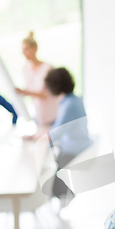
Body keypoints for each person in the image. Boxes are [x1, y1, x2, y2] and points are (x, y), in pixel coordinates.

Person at [41, 67, 93, 203]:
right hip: (82, 147)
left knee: (46, 172)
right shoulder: (73, 99)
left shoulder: (68, 105)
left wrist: (36, 136)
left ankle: (59, 198)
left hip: (74, 152)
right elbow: (60, 126)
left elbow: (54, 135)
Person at [15, 31, 59, 131]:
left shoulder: (47, 68)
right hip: (39, 115)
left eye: (26, 49)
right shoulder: (25, 68)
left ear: (35, 48)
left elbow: (45, 94)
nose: (24, 53)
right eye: (22, 50)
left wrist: (25, 92)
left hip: (52, 114)